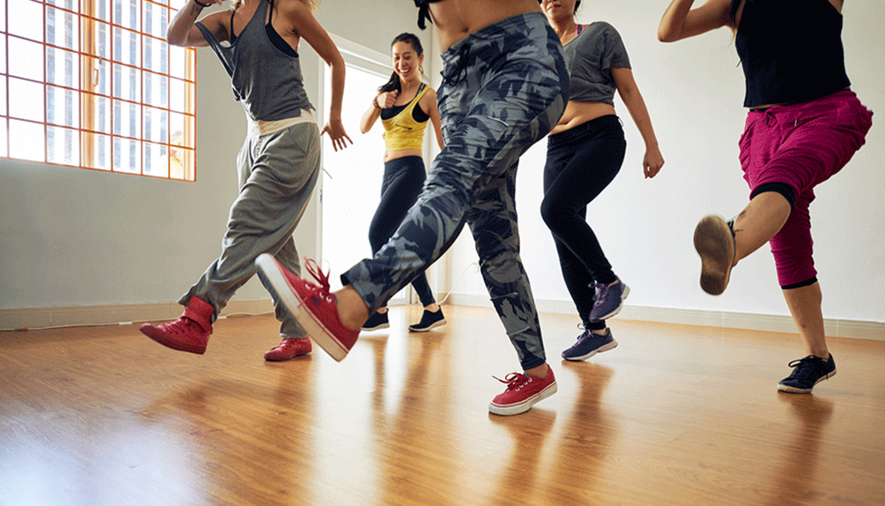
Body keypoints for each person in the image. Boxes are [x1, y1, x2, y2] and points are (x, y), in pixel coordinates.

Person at [256, 0, 569, 415]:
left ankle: (353, 303)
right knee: (493, 235)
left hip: (518, 53)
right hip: (459, 77)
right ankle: (536, 369)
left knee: (452, 171)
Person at [658, 0, 873, 392]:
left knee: (782, 178)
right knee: (788, 242)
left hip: (825, 115)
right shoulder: (735, 3)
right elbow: (669, 30)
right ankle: (818, 358)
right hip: (764, 129)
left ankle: (732, 245)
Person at [140, 0, 351, 361]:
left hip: (292, 134)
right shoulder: (226, 20)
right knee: (273, 246)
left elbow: (335, 59)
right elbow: (176, 38)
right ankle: (297, 334)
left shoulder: (285, 9)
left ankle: (199, 316)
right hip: (255, 139)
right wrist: (196, 3)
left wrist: (333, 115)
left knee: (246, 224)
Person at [539, 0, 664, 361]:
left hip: (599, 137)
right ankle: (595, 331)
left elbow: (629, 90)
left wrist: (651, 145)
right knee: (563, 236)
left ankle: (608, 281)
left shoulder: (599, 33)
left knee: (554, 209)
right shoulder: (540, 51)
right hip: (556, 147)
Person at [358, 32, 447, 334]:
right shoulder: (388, 93)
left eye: (407, 56)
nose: (401, 62)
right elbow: (363, 126)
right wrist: (376, 101)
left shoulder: (428, 95)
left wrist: (451, 178)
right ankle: (432, 308)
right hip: (389, 173)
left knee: (377, 233)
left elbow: (443, 138)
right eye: (396, 57)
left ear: (420, 58)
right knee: (402, 244)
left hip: (411, 172)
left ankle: (380, 307)